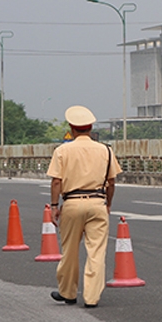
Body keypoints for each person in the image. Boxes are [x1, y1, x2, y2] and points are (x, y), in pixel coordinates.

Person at [47, 106, 121, 308]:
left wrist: (55, 206)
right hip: (98, 202)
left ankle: (68, 292)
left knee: (69, 250)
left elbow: (56, 182)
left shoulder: (62, 150)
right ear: (90, 128)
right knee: (96, 252)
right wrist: (108, 204)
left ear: (71, 128)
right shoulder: (106, 150)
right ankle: (92, 297)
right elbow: (112, 182)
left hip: (72, 203)